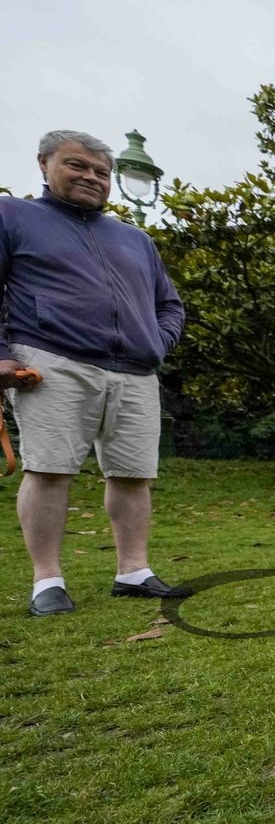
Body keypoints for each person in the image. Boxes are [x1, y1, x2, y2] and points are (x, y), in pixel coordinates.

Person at [1, 130, 192, 618]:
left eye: (102, 173)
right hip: (52, 360)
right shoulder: (13, 216)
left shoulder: (135, 239)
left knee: (133, 474)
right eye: (77, 166)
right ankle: (48, 582)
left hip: (133, 371)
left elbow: (169, 306)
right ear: (44, 164)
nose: (92, 178)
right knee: (49, 469)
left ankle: (133, 572)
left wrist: (157, 344)